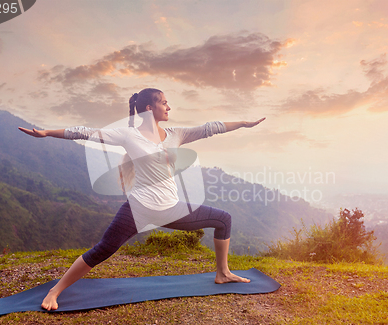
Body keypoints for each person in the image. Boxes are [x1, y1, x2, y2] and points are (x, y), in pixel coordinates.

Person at [18, 88, 265, 311]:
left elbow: (211, 127)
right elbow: (85, 133)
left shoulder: (176, 134)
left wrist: (243, 123)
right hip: (138, 210)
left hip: (172, 209)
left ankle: (223, 273)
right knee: (102, 250)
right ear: (150, 108)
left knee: (223, 220)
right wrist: (48, 132)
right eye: (165, 102)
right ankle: (55, 290)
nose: (169, 107)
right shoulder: (128, 136)